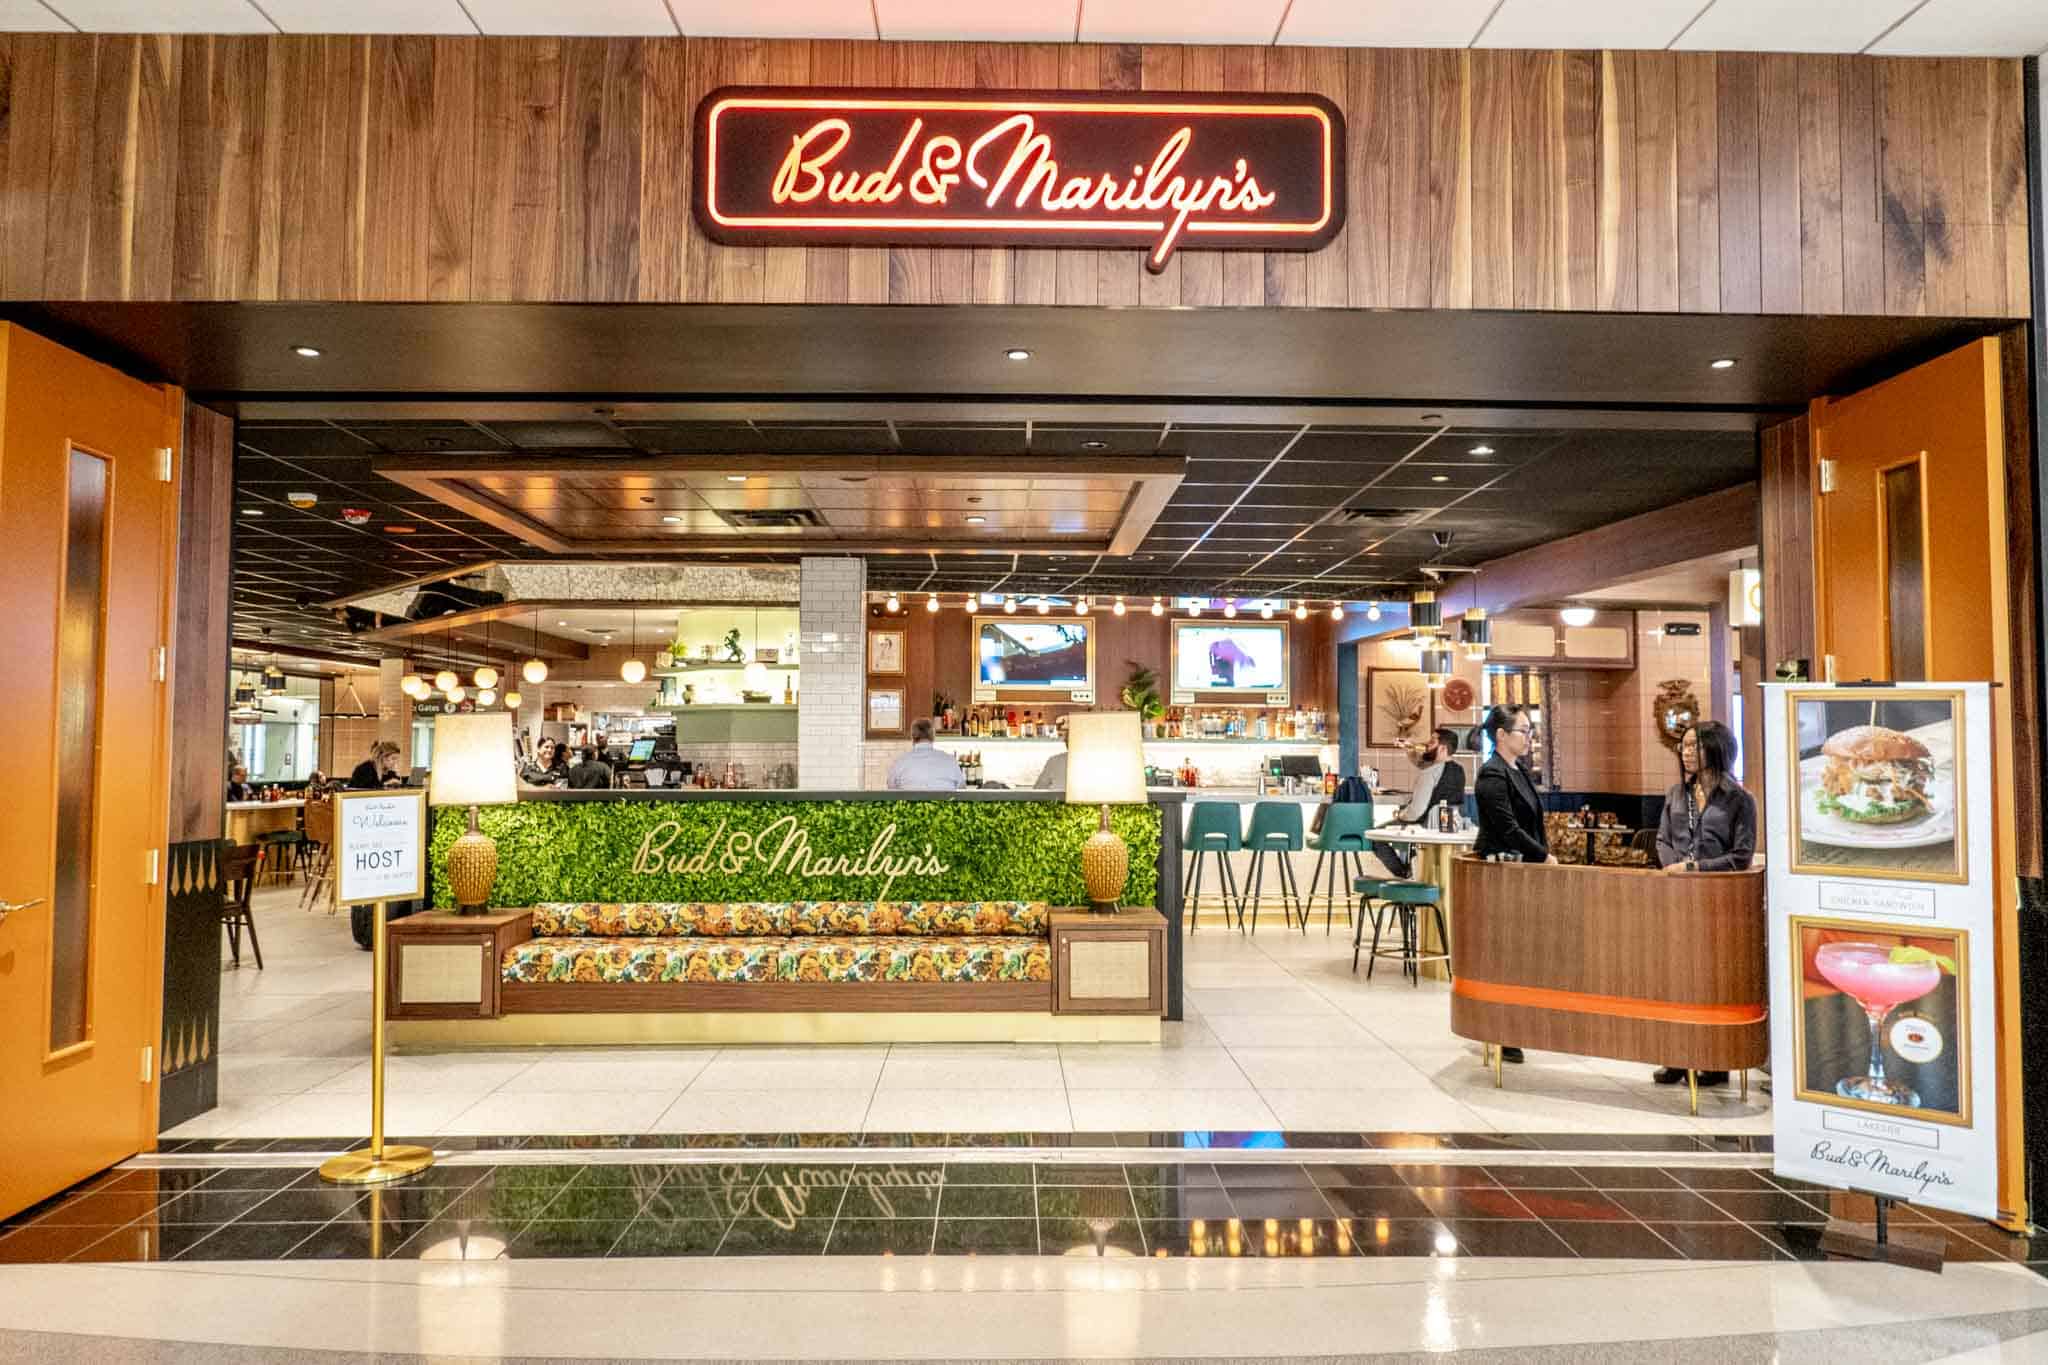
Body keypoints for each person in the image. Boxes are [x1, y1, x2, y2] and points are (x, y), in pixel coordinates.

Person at [1651, 720, 1758, 1089]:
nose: (1686, 751)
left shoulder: (1740, 799)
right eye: (1684, 746)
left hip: (1719, 904)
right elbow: (1663, 840)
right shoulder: (1676, 794)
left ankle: (1712, 1059)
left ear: (1717, 748)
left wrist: (1694, 868)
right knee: (1676, 978)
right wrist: (1673, 869)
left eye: (1694, 745)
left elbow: (1741, 856)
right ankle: (1677, 1056)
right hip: (1677, 898)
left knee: (1711, 980)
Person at [1474, 705, 1553, 1065]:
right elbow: (1508, 829)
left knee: (1524, 951)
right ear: (1501, 735)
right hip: (1503, 871)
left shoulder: (1517, 770)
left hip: (1525, 869)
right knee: (1504, 952)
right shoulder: (1492, 774)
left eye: (1530, 731)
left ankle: (1518, 1023)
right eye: (1523, 730)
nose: (1528, 737)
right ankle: (1500, 1029)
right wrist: (1542, 855)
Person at [1378, 728, 1467, 879]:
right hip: (1450, 826)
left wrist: (1400, 814)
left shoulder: (1429, 773)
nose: (1427, 745)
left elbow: (1415, 812)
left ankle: (1405, 873)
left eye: (1432, 742)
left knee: (1377, 836)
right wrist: (1410, 749)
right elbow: (1422, 762)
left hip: (1423, 827)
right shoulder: (1459, 770)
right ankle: (1413, 869)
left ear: (1443, 748)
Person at [886, 717, 964, 790]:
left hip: (909, 804)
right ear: (933, 737)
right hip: (945, 804)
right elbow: (962, 789)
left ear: (912, 737)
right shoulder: (950, 761)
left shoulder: (900, 762)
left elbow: (891, 790)